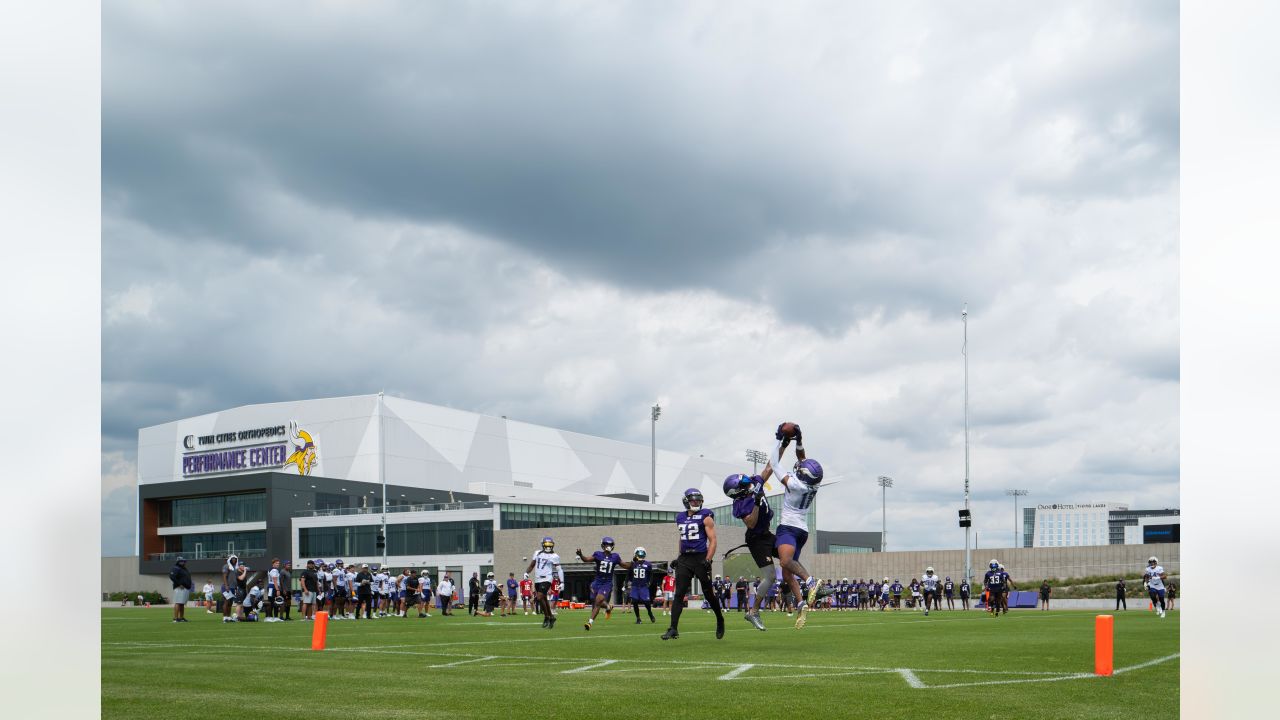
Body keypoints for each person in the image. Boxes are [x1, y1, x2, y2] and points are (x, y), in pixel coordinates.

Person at [759, 422, 831, 630]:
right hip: (802, 530)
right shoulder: (812, 482)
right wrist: (798, 441)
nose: (798, 467)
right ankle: (800, 603)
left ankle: (810, 581)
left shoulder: (794, 484)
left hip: (789, 527)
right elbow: (802, 460)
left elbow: (773, 463)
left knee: (785, 560)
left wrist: (779, 440)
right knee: (787, 569)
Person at [661, 487, 725, 641]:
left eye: (698, 500)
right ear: (686, 501)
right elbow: (682, 538)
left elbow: (713, 540)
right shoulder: (680, 517)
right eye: (693, 500)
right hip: (685, 559)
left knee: (708, 593)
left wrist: (708, 559)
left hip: (700, 557)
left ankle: (720, 620)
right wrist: (678, 556)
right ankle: (673, 628)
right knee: (679, 594)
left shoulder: (706, 516)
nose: (696, 502)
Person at [722, 472, 780, 630]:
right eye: (745, 484)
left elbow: (768, 468)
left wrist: (782, 447)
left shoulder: (755, 483)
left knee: (789, 555)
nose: (749, 484)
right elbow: (751, 523)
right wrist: (756, 501)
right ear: (738, 491)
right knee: (770, 576)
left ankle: (809, 589)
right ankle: (753, 612)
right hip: (756, 539)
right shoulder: (739, 504)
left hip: (767, 534)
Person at [576, 536, 628, 631]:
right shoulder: (598, 554)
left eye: (610, 544)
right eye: (607, 544)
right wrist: (580, 554)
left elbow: (624, 565)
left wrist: (634, 564)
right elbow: (586, 560)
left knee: (598, 601)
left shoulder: (615, 556)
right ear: (603, 545)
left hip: (606, 583)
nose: (608, 546)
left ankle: (589, 622)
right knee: (594, 600)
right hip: (597, 582)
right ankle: (608, 606)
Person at [525, 537, 564, 629]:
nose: (548, 547)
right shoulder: (537, 553)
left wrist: (562, 582)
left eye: (550, 545)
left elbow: (559, 570)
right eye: (546, 545)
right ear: (542, 544)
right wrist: (526, 572)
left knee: (539, 597)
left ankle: (546, 617)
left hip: (547, 578)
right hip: (538, 579)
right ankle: (551, 617)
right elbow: (532, 565)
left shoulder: (555, 556)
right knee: (543, 598)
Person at [627, 547, 656, 623]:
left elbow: (651, 575)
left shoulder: (648, 564)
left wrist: (649, 583)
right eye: (639, 553)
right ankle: (638, 618)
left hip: (643, 586)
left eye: (641, 553)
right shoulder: (633, 564)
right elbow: (629, 574)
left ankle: (650, 613)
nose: (640, 554)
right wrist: (629, 582)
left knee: (646, 602)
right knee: (635, 601)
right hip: (635, 586)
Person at [168, 556, 194, 623]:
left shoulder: (184, 569)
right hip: (180, 588)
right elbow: (172, 576)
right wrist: (179, 584)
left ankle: (181, 618)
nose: (183, 562)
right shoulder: (176, 568)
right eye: (182, 561)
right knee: (178, 602)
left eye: (184, 561)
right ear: (178, 562)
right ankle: (175, 618)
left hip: (185, 588)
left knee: (182, 603)